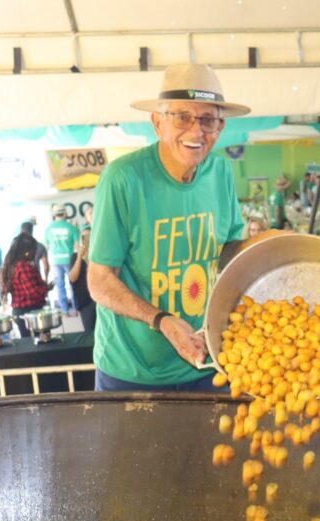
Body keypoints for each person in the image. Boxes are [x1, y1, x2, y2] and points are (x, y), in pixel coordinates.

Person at [88, 63, 262, 392]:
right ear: (157, 123)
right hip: (131, 373)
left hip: (207, 362)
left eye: (207, 119)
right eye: (182, 117)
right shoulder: (123, 179)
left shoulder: (221, 171)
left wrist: (275, 252)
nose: (196, 132)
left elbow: (230, 251)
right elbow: (99, 281)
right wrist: (161, 320)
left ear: (220, 126)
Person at [0, 233, 49, 337]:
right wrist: (46, 288)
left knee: (28, 345)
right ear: (27, 251)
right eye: (34, 249)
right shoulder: (22, 266)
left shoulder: (13, 265)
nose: (35, 253)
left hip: (21, 311)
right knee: (39, 345)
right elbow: (33, 292)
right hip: (29, 311)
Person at [45, 205, 80, 315]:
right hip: (69, 260)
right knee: (74, 284)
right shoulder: (71, 228)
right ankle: (76, 309)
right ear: (65, 214)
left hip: (55, 261)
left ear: (54, 215)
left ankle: (64, 310)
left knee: (60, 285)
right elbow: (78, 246)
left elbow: (47, 247)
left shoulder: (48, 229)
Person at [68, 226, 96, 335]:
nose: (87, 239)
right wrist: (80, 256)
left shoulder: (99, 255)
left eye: (89, 236)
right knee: (89, 333)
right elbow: (73, 278)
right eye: (84, 237)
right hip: (85, 301)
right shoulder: (75, 257)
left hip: (101, 300)